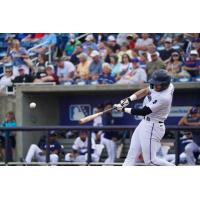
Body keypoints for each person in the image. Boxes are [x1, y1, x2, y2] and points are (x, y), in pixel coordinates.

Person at [114, 69, 175, 166]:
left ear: (165, 84)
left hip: (153, 126)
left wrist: (122, 109)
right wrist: (128, 100)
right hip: (145, 123)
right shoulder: (162, 85)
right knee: (131, 156)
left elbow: (143, 112)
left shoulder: (164, 97)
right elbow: (145, 91)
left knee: (150, 161)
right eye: (154, 83)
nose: (154, 86)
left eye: (157, 84)